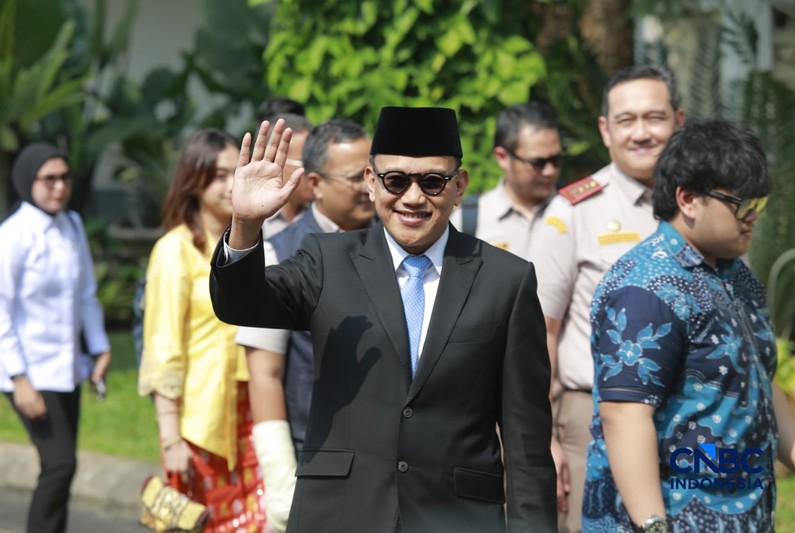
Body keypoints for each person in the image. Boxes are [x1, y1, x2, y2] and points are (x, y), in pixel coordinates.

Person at [210, 108, 557, 532]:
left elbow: (527, 443)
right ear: (372, 184)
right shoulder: (326, 260)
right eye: (396, 181)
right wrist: (245, 224)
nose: (413, 198)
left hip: (457, 516)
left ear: (459, 186)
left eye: (432, 182)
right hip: (341, 513)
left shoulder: (506, 280)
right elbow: (240, 305)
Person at [582, 119, 795, 532]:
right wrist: (653, 525)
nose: (754, 217)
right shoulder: (646, 288)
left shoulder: (737, 276)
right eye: (742, 205)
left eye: (760, 205)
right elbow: (625, 416)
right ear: (687, 199)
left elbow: (760, 381)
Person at [531, 65, 684, 532]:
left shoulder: (698, 206)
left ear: (679, 120)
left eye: (654, 117)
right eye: (626, 120)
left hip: (684, 414)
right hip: (590, 416)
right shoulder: (573, 212)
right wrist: (544, 440)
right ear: (604, 129)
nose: (641, 133)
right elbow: (540, 332)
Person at [237, 118, 374, 532]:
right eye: (356, 178)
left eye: (374, 175)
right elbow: (264, 373)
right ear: (314, 183)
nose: (371, 188)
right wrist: (280, 476)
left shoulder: (397, 241)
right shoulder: (282, 251)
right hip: (314, 448)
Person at [137, 129, 267, 531]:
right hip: (199, 418)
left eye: (237, 173)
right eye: (219, 175)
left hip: (254, 411)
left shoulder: (249, 243)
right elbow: (162, 347)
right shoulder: (175, 250)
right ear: (195, 181)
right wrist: (171, 437)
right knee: (204, 522)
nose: (232, 185)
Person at [0, 142, 111, 533]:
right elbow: (1, 312)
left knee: (61, 467)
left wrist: (98, 347)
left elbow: (85, 295)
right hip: (28, 371)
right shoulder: (12, 235)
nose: (59, 187)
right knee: (61, 463)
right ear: (28, 180)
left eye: (65, 178)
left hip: (66, 367)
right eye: (49, 179)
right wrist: (19, 379)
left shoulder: (72, 224)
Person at [452, 101, 561, 255]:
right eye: (538, 163)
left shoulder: (575, 211)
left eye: (556, 160)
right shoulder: (470, 220)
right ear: (503, 157)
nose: (549, 171)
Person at [259, 113, 314, 238]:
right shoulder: (250, 221)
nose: (315, 171)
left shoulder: (322, 216)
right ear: (273, 162)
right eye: (307, 163)